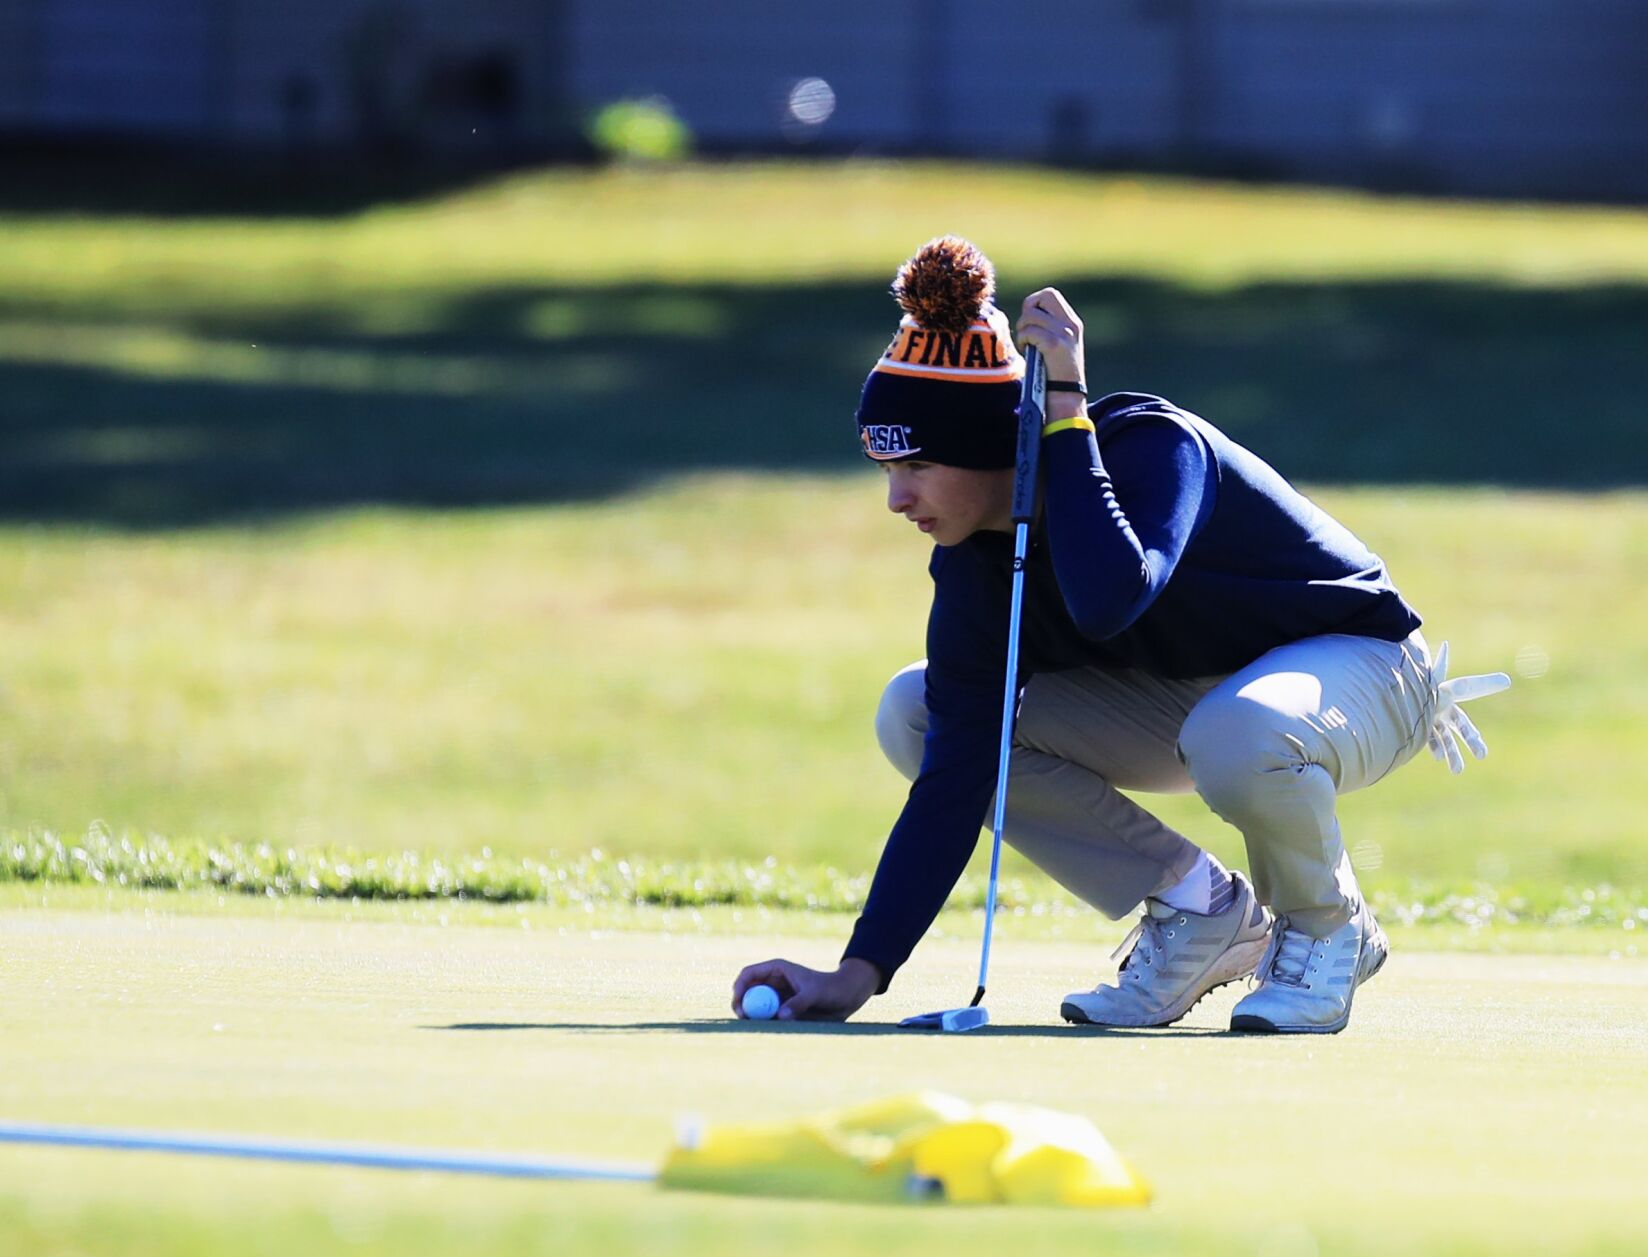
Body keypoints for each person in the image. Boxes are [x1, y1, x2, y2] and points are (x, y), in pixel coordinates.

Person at [732, 237, 1506, 1034]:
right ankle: (1200, 906)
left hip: (1369, 669)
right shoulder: (969, 564)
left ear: (989, 447)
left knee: (1237, 731)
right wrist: (861, 971)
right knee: (918, 711)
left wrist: (1064, 414)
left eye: (917, 467)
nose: (897, 499)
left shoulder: (1151, 447)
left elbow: (1109, 596)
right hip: (1204, 706)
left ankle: (1326, 927)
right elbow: (959, 765)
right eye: (887, 472)